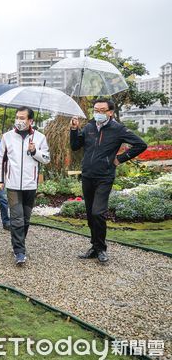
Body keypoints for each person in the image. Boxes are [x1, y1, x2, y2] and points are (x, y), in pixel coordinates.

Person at [70, 99, 147, 263]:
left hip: (104, 176)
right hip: (88, 175)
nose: (98, 113)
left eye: (102, 110)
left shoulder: (118, 129)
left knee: (98, 212)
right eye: (96, 109)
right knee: (91, 214)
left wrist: (120, 158)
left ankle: (101, 248)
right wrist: (74, 129)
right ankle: (94, 247)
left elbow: (141, 144)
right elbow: (75, 146)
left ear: (110, 112)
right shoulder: (90, 127)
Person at [0, 106, 50, 266]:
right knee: (17, 218)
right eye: (17, 118)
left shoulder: (39, 138)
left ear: (30, 121)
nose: (19, 121)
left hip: (30, 184)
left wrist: (35, 152)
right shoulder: (7, 137)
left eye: (22, 118)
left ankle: (18, 244)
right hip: (12, 185)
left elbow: (46, 158)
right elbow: (0, 160)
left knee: (25, 218)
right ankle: (19, 251)